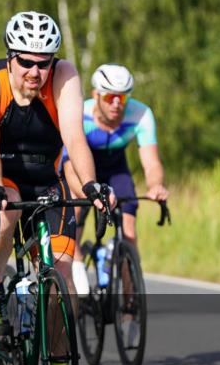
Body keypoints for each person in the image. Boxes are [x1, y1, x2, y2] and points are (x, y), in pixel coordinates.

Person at [0, 11, 112, 365]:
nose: (34, 71)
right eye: (25, 61)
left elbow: (76, 139)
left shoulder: (64, 76)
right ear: (10, 56)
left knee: (63, 278)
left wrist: (92, 185)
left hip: (45, 180)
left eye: (43, 62)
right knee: (4, 211)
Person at [62, 64, 169, 293]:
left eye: (123, 98)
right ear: (96, 95)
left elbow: (151, 162)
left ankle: (130, 303)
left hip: (116, 168)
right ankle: (77, 266)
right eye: (110, 97)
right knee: (77, 208)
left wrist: (156, 185)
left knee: (129, 231)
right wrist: (87, 194)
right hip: (83, 168)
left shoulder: (141, 114)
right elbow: (69, 165)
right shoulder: (80, 113)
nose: (117, 104)